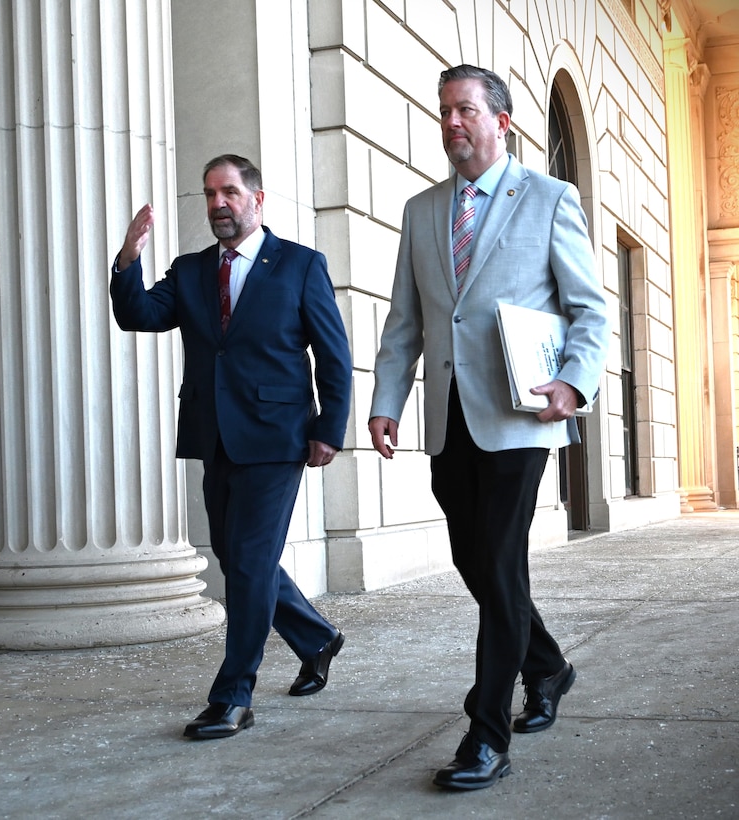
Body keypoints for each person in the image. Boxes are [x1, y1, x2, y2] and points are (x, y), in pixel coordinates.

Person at [369, 65, 609, 789]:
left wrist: (573, 381)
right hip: (451, 419)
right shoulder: (421, 210)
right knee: (477, 563)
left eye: (465, 110)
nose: (452, 122)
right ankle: (549, 666)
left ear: (501, 121)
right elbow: (405, 322)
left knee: (500, 564)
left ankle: (486, 733)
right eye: (444, 110)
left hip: (520, 417)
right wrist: (386, 401)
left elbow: (590, 309)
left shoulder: (550, 197)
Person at [110, 154, 352, 740]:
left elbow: (334, 354)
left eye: (229, 192)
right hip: (214, 433)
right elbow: (138, 315)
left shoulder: (300, 264)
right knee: (235, 554)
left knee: (247, 562)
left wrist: (329, 428)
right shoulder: (191, 270)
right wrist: (128, 260)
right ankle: (316, 637)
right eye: (209, 194)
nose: (218, 203)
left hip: (277, 436)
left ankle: (233, 696)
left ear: (256, 199)